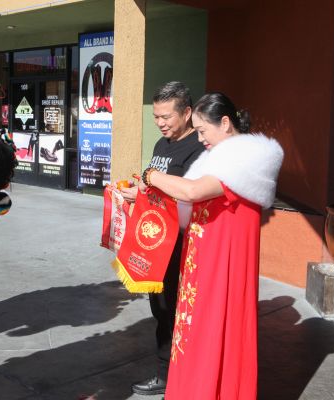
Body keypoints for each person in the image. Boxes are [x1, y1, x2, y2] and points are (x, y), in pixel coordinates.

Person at [139, 92, 283, 399]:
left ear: (226, 123)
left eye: (203, 131)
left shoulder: (245, 159)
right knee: (196, 331)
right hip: (205, 260)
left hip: (224, 263)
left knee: (215, 332)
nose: (200, 139)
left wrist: (151, 176)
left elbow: (192, 191)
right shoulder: (219, 156)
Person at [119, 82, 204, 396]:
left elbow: (190, 194)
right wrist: (135, 194)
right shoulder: (161, 145)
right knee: (161, 311)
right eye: (156, 116)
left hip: (184, 246)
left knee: (179, 313)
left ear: (187, 112)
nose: (160, 123)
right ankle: (165, 373)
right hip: (157, 245)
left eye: (166, 116)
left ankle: (179, 377)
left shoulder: (199, 147)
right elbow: (155, 189)